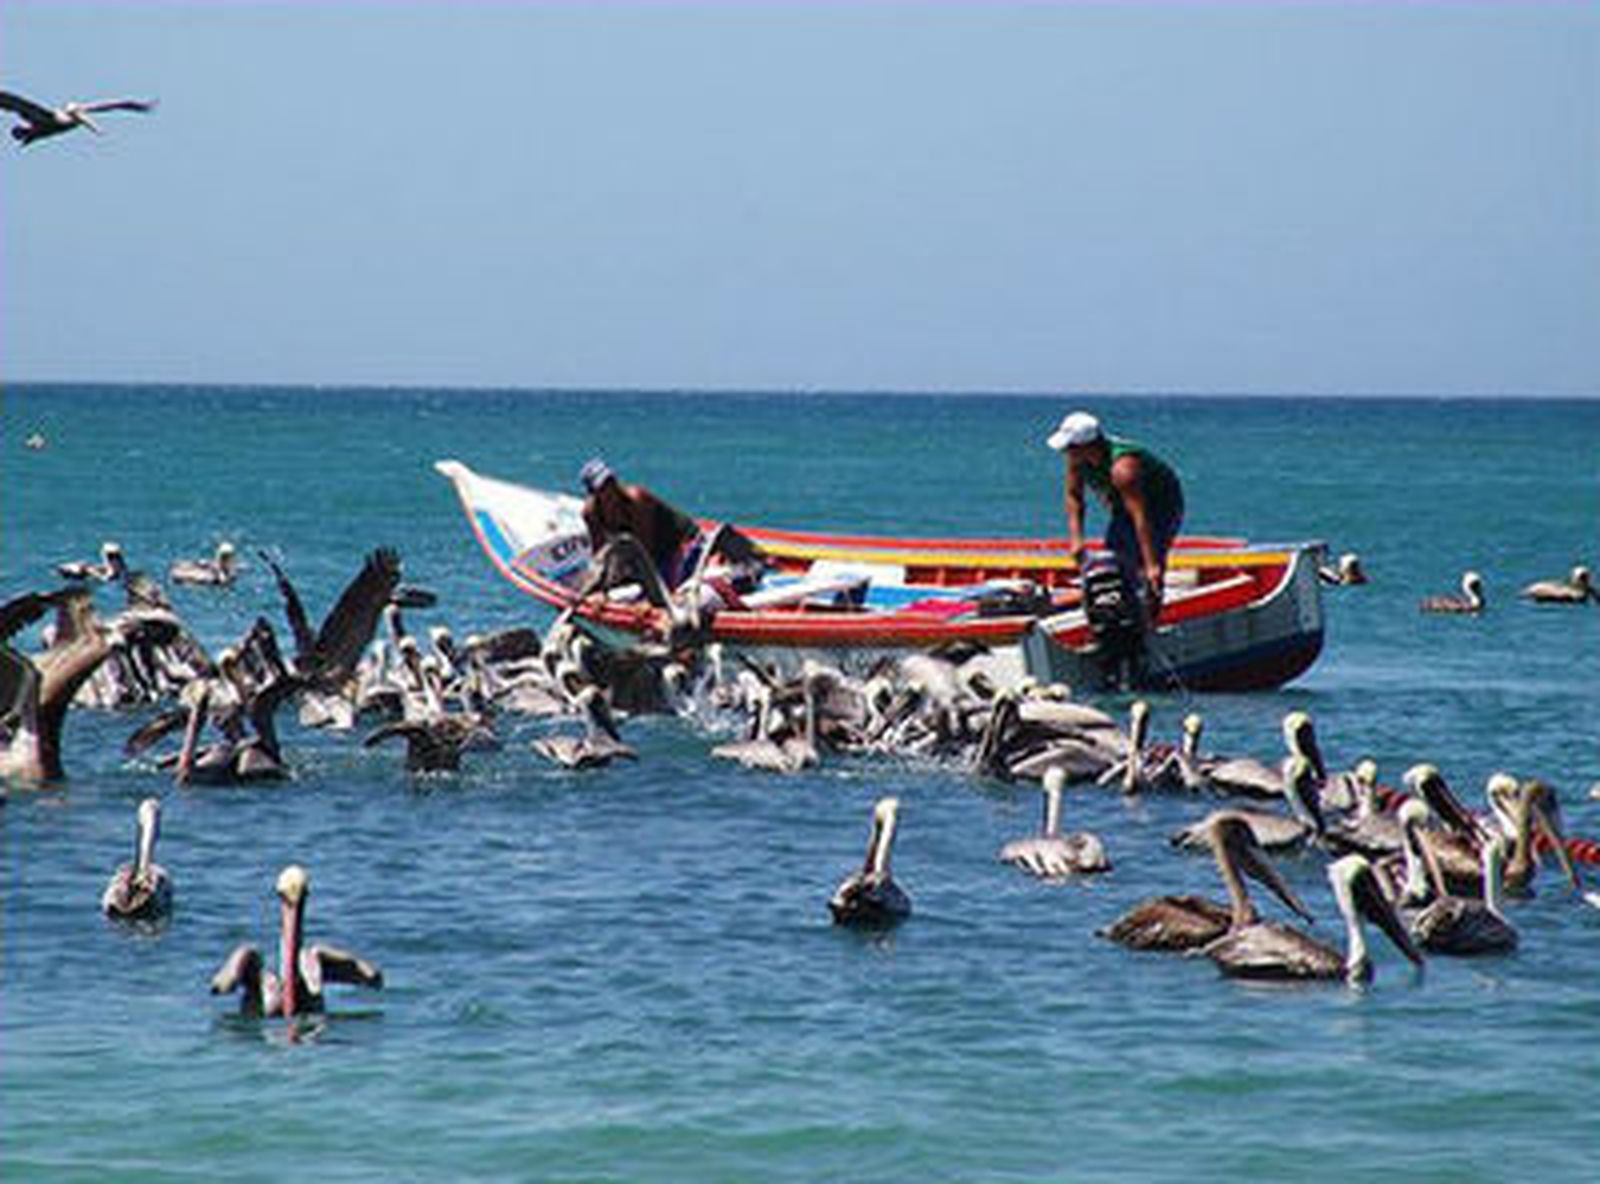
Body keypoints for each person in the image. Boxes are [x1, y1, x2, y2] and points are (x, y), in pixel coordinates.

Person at [1048, 411, 1185, 612]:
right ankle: (1117, 612)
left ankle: (1152, 616)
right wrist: (1076, 539)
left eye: (1070, 448)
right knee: (1115, 563)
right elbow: (1074, 496)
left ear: (1086, 447)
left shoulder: (1124, 469)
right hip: (1123, 505)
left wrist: (1152, 564)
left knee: (1147, 567)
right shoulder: (1076, 459)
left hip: (1159, 507)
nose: (1066, 453)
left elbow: (1140, 516)